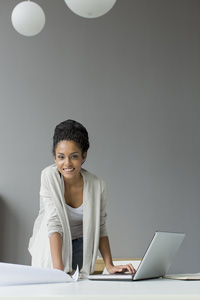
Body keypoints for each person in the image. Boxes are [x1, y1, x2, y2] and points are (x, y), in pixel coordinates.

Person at [28, 119, 135, 278]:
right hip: (52, 246)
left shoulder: (98, 186)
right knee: (52, 289)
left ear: (84, 156)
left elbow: (100, 226)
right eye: (61, 156)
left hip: (81, 246)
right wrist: (58, 270)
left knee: (79, 290)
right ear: (54, 157)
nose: (67, 163)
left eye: (74, 156)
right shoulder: (48, 177)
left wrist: (109, 265)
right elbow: (54, 223)